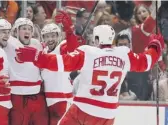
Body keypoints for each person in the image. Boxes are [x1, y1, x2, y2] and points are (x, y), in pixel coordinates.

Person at [16, 25, 164, 125]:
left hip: (83, 108)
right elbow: (147, 62)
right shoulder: (124, 54)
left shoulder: (88, 52)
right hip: (107, 114)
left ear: (97, 39)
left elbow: (61, 63)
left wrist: (37, 57)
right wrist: (155, 45)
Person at [40, 10, 80, 125]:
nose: (50, 39)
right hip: (49, 103)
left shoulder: (62, 48)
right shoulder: (43, 52)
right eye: (47, 36)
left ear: (58, 36)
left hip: (63, 100)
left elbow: (73, 48)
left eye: (53, 35)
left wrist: (69, 31)